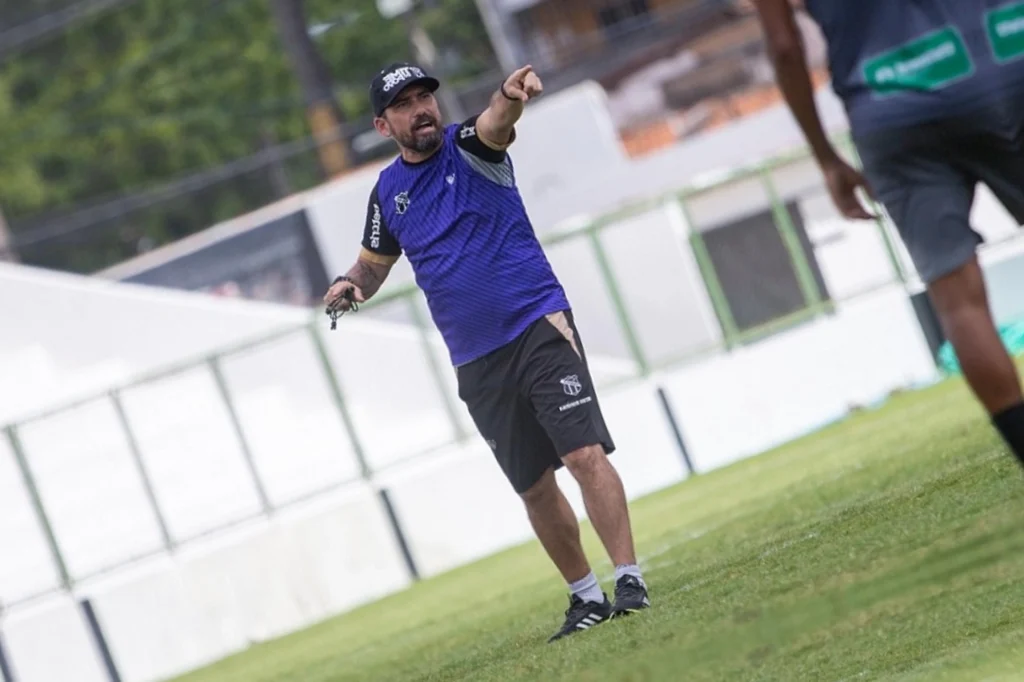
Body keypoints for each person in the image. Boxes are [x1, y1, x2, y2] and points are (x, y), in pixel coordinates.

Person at [323, 62, 650, 641]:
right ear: (383, 124)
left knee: (581, 456)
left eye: (426, 96)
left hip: (536, 326)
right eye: (405, 104)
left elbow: (498, 121)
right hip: (475, 359)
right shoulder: (387, 193)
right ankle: (586, 597)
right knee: (533, 485)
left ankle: (629, 579)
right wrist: (350, 285)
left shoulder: (470, 147)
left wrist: (510, 93)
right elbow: (373, 267)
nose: (421, 108)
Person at [752, 0, 1024, 468]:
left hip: (891, 105)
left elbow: (783, 47)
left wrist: (825, 157)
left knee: (959, 301)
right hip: (1002, 62)